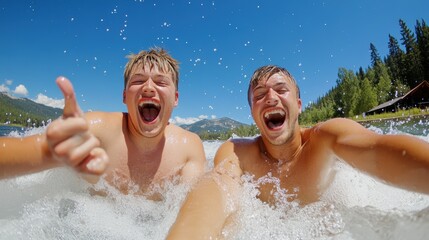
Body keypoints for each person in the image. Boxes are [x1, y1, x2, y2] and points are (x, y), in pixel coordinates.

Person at [167, 65, 429, 239]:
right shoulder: (238, 152)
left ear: (299, 105)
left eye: (281, 90)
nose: (271, 97)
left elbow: (375, 151)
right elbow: (217, 187)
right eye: (259, 95)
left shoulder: (326, 139)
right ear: (253, 115)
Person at [0, 48, 206, 196]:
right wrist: (47, 155)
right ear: (125, 96)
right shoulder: (97, 129)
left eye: (161, 82)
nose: (149, 88)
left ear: (176, 98)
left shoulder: (188, 147)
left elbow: (195, 212)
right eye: (138, 81)